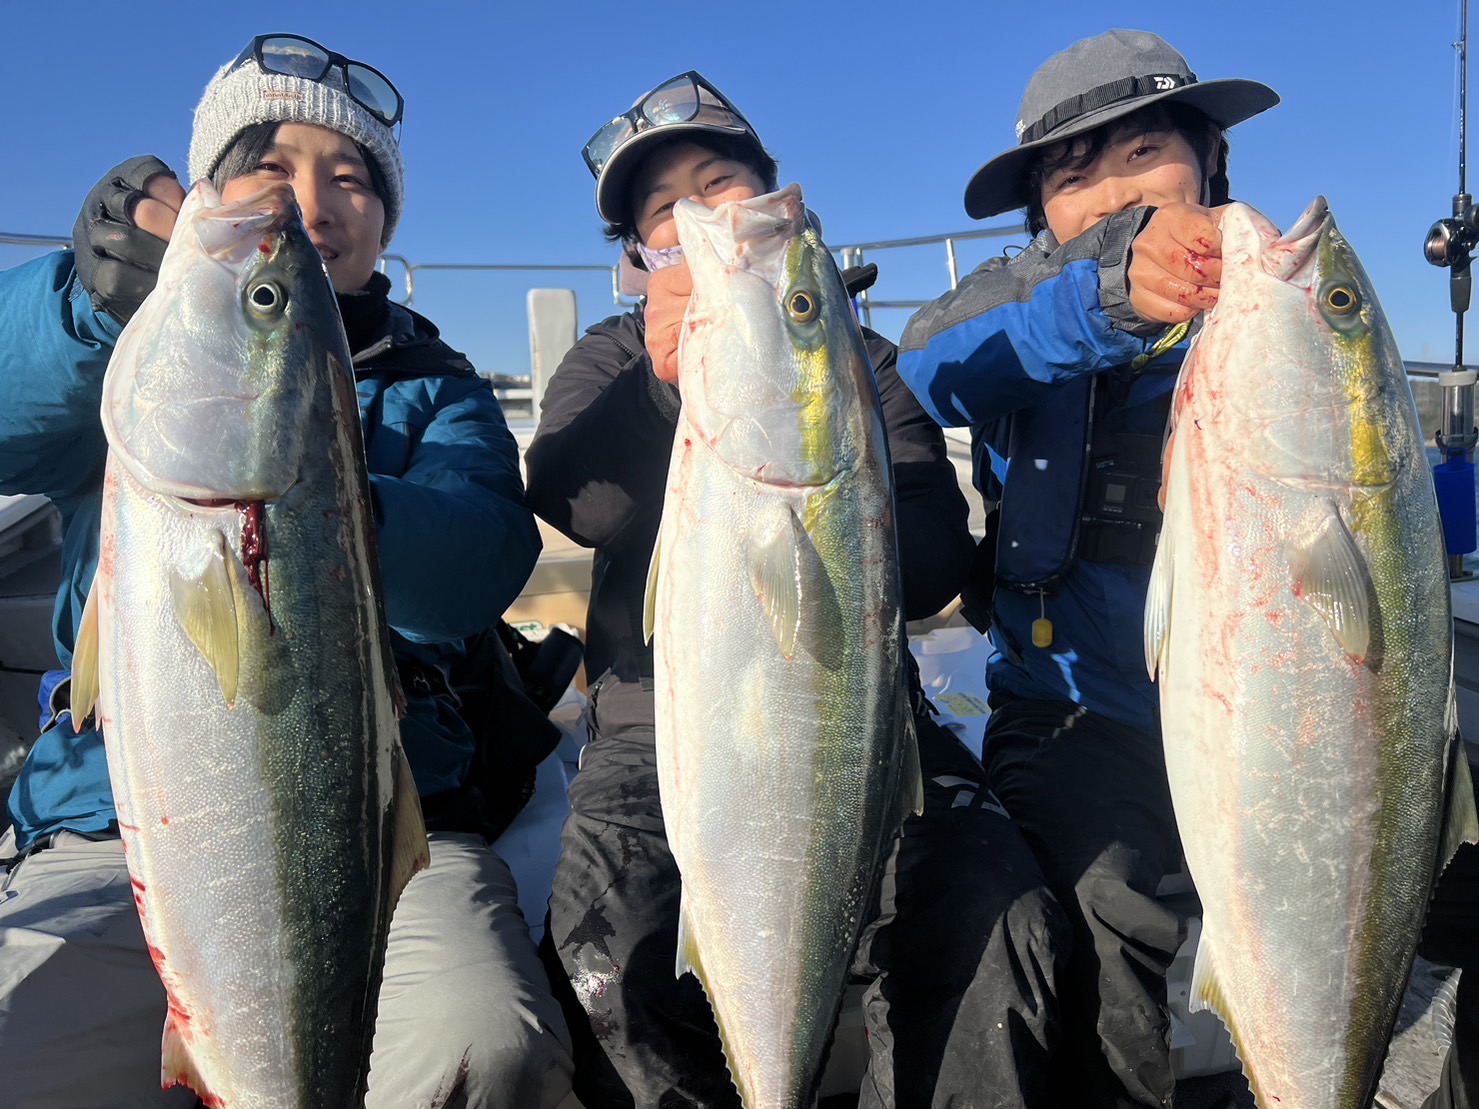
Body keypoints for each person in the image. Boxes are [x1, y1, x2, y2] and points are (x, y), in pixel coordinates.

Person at [0, 34, 573, 1108]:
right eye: (270, 164)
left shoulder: (434, 392)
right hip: (103, 825)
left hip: (377, 843)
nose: (308, 201)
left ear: (387, 224)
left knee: (481, 1040)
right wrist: (82, 301)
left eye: (351, 177)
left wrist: (306, 493)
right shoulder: (120, 371)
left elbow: (481, 556)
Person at [525, 70, 1068, 1108]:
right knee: (608, 937)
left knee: (1000, 912)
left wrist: (832, 483)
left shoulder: (853, 358)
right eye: (667, 213)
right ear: (640, 263)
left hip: (859, 726)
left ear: (787, 203)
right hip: (659, 729)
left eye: (724, 183)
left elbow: (937, 558)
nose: (707, 218)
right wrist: (664, 382)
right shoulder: (612, 360)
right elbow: (572, 498)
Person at [895, 29, 1279, 1108]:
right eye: (1071, 174)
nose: (1111, 190)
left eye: (1142, 149)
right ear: (1040, 216)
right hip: (1079, 711)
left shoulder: (1283, 302)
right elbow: (931, 357)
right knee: (1099, 905)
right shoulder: (1021, 302)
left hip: (1272, 714)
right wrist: (1109, 290)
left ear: (1210, 158)